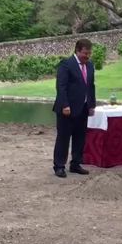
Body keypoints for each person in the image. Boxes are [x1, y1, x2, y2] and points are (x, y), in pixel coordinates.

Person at [52, 39, 96, 178]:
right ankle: (59, 166)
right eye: (85, 53)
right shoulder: (66, 64)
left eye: (89, 53)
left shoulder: (89, 66)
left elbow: (91, 86)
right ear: (77, 51)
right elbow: (61, 86)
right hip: (67, 109)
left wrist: (91, 105)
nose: (87, 56)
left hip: (83, 108)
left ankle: (75, 164)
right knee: (63, 138)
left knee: (80, 137)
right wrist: (65, 105)